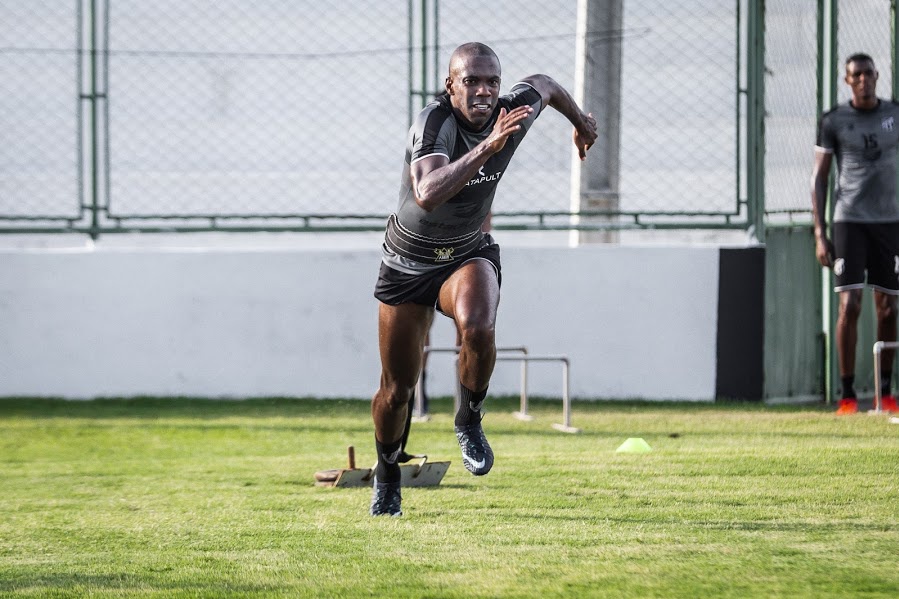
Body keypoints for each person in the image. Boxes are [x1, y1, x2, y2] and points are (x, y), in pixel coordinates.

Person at [369, 42, 597, 515]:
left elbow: (548, 86)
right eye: (471, 80)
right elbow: (428, 192)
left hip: (466, 251)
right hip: (408, 261)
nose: (483, 90)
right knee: (397, 389)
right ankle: (387, 475)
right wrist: (491, 146)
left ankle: (469, 418)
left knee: (478, 325)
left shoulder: (512, 109)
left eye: (492, 81)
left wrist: (582, 124)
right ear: (451, 85)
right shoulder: (433, 123)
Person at [812, 52, 899, 415]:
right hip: (849, 221)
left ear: (877, 76)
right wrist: (820, 232)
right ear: (847, 81)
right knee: (850, 304)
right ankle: (847, 395)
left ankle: (885, 392)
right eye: (856, 75)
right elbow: (819, 179)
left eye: (868, 73)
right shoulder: (834, 120)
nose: (863, 80)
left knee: (889, 307)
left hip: (890, 222)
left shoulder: (894, 114)